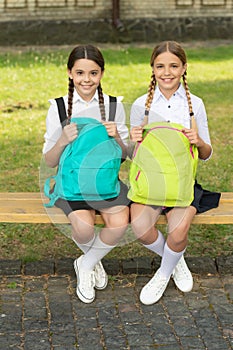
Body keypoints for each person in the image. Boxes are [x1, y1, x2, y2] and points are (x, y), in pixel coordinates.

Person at [129, 41, 220, 305]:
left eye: (173, 66)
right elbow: (132, 155)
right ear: (153, 69)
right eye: (160, 66)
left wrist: (198, 141)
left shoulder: (195, 105)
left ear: (183, 68)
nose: (166, 72)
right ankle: (175, 259)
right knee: (141, 227)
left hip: (181, 184)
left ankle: (163, 272)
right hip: (150, 185)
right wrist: (133, 139)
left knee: (178, 231)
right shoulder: (141, 105)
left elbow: (207, 153)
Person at [43, 45, 130, 303]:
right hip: (72, 185)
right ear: (70, 73)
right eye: (80, 72)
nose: (86, 79)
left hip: (105, 184)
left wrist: (117, 137)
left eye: (93, 73)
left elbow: (125, 155)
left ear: (101, 74)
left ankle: (86, 263)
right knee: (83, 229)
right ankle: (94, 261)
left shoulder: (114, 106)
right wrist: (62, 141)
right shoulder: (59, 108)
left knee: (119, 225)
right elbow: (49, 162)